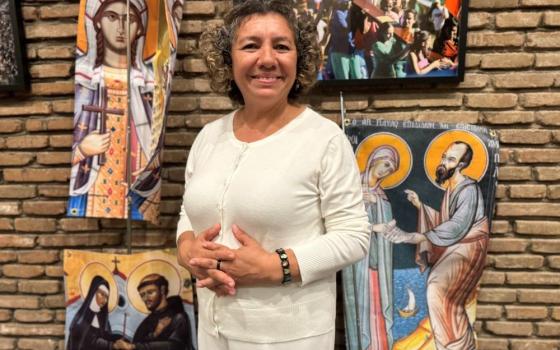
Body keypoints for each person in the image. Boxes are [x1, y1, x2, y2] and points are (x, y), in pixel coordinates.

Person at [176, 1, 370, 349]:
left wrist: (273, 266)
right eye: (251, 45)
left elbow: (354, 236)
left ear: (300, 58)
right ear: (228, 59)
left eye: (281, 46)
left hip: (288, 336)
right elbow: (187, 216)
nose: (267, 59)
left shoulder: (324, 140)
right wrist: (186, 248)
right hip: (212, 331)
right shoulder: (209, 137)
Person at [377, 141, 489, 350]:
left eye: (451, 159)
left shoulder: (469, 189)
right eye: (444, 157)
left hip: (469, 247)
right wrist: (420, 206)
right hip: (458, 245)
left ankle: (457, 346)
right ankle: (453, 344)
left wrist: (416, 237)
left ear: (461, 165)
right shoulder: (452, 189)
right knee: (441, 294)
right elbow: (445, 222)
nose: (443, 163)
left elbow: (457, 227)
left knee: (439, 290)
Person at [68, 0, 161, 223]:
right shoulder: (86, 81)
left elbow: (153, 135)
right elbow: (74, 145)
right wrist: (82, 149)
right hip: (92, 182)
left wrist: (151, 161)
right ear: (97, 22)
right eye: (111, 17)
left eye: (129, 19)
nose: (120, 28)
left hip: (135, 187)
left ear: (140, 28)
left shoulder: (146, 83)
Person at [343, 146, 400, 350]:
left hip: (376, 263)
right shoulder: (352, 185)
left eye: (391, 169)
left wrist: (380, 214)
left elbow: (385, 221)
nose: (386, 171)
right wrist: (361, 201)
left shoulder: (381, 195)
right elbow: (340, 221)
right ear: (375, 159)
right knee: (359, 302)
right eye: (386, 164)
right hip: (358, 260)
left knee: (376, 299)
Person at [116, 274, 192, 350]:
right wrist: (155, 334)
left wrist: (134, 347)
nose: (146, 298)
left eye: (150, 292)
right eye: (142, 295)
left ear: (162, 290)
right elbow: (137, 343)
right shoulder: (146, 322)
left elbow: (175, 346)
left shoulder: (177, 316)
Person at [67, 276, 118, 349]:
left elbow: (106, 335)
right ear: (93, 292)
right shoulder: (81, 318)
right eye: (102, 294)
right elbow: (88, 341)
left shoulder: (102, 318)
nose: (104, 300)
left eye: (107, 297)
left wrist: (119, 338)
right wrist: (113, 345)